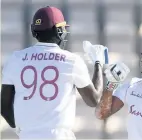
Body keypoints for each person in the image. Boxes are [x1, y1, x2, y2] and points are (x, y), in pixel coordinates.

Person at [1, 6, 108, 139]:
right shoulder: (72, 60)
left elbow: (4, 108)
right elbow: (94, 100)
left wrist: (21, 129)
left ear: (34, 31)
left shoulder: (15, 59)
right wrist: (98, 63)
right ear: (59, 31)